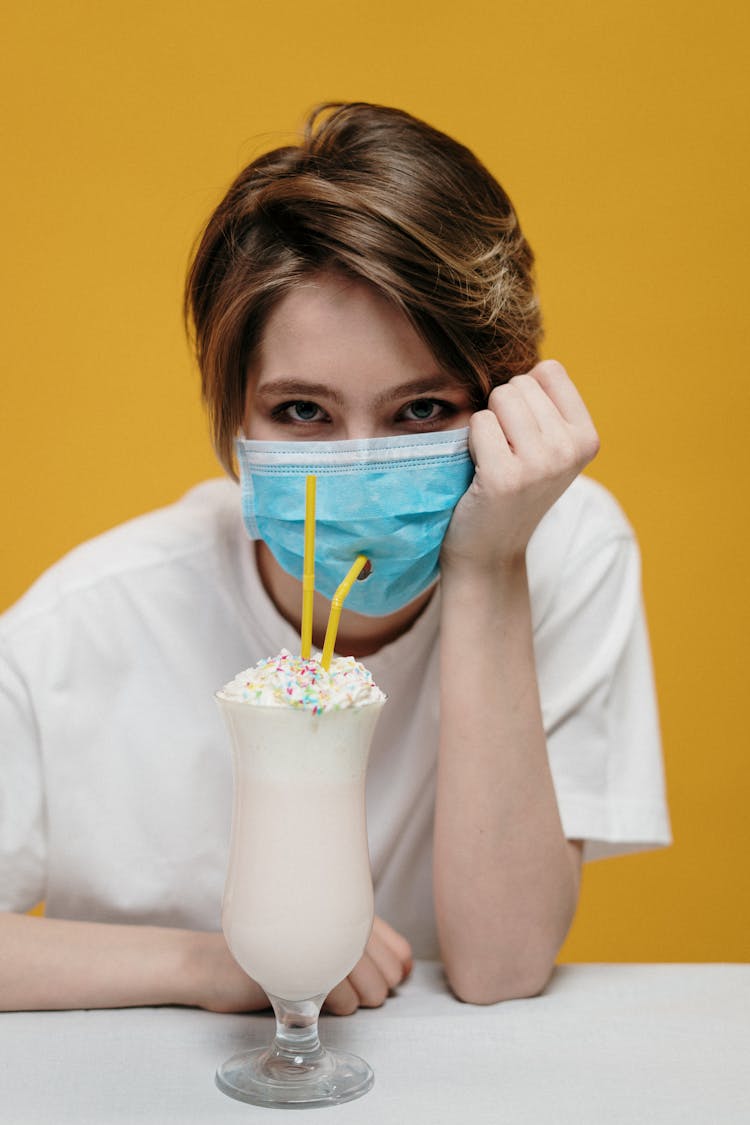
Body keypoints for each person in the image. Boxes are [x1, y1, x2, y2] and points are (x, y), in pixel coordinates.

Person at [0, 102, 670, 1013]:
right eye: (303, 412)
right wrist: (214, 965)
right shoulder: (85, 621)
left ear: (501, 399)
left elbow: (503, 968)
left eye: (423, 410)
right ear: (233, 416)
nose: (357, 462)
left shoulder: (566, 552)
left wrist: (487, 566)